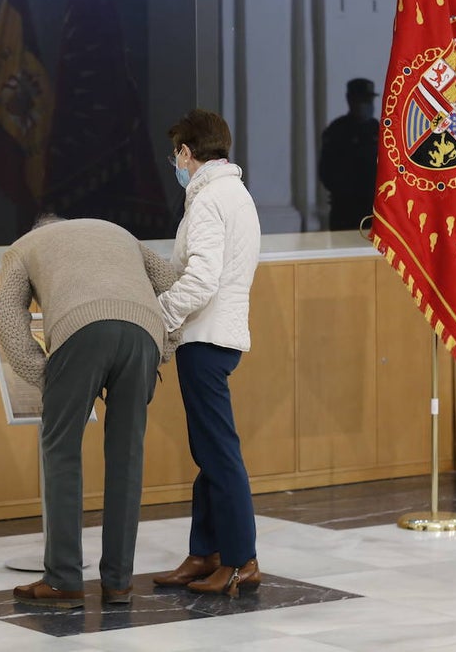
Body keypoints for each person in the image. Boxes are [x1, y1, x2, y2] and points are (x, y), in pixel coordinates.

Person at [0, 215, 178, 609]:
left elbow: (9, 321)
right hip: (142, 333)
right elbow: (174, 282)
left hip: (78, 333)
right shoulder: (118, 231)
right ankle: (119, 583)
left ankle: (63, 582)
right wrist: (164, 345)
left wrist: (44, 374)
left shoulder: (24, 247)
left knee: (61, 454)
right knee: (127, 457)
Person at [153, 109, 263, 597]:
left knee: (219, 454)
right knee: (209, 452)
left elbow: (200, 278)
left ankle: (241, 561)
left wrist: (158, 315)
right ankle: (206, 553)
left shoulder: (207, 199)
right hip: (218, 335)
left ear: (185, 152)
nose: (174, 163)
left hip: (205, 337)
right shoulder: (234, 193)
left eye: (174, 154)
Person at [318, 77, 381, 231]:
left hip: (374, 210)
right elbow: (326, 172)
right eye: (361, 100)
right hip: (345, 211)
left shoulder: (378, 130)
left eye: (368, 100)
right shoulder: (337, 131)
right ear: (350, 101)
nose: (365, 105)